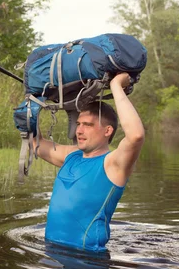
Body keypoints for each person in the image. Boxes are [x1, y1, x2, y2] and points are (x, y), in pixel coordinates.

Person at [35, 72, 145, 252]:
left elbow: (135, 136)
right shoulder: (71, 156)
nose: (79, 130)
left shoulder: (112, 164)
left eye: (88, 125)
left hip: (88, 261)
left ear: (107, 131)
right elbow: (35, 144)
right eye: (78, 124)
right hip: (52, 253)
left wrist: (116, 85)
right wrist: (33, 104)